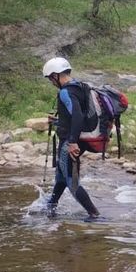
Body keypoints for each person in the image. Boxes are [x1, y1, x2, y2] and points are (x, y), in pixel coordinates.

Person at [42, 57, 101, 219]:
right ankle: (50, 208)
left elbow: (77, 115)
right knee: (61, 179)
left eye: (50, 79)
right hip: (78, 138)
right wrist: (57, 122)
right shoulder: (80, 87)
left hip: (70, 141)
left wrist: (73, 142)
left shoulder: (65, 91)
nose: (51, 82)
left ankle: (94, 214)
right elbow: (73, 118)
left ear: (56, 75)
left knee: (71, 182)